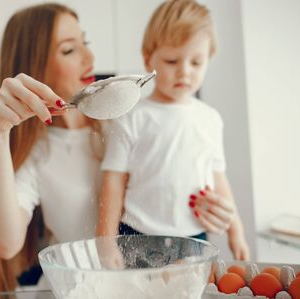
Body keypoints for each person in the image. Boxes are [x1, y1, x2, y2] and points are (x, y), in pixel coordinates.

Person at [97, 0, 250, 261]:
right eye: (171, 60)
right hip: (137, 235)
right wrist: (106, 240)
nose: (184, 72)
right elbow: (113, 182)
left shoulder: (210, 119)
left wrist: (237, 232)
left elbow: (218, 179)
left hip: (195, 237)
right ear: (148, 59)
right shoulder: (133, 117)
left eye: (196, 62)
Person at [0, 3, 104, 291]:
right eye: (69, 50)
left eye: (84, 43)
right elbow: (6, 243)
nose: (90, 57)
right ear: (36, 67)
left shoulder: (122, 125)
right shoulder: (39, 152)